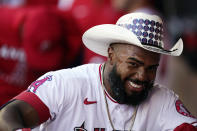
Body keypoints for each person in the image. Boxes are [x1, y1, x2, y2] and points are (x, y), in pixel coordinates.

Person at [0, 12, 197, 131]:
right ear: (110, 54)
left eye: (151, 68)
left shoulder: (162, 100)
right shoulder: (66, 83)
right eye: (133, 64)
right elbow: (7, 114)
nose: (142, 76)